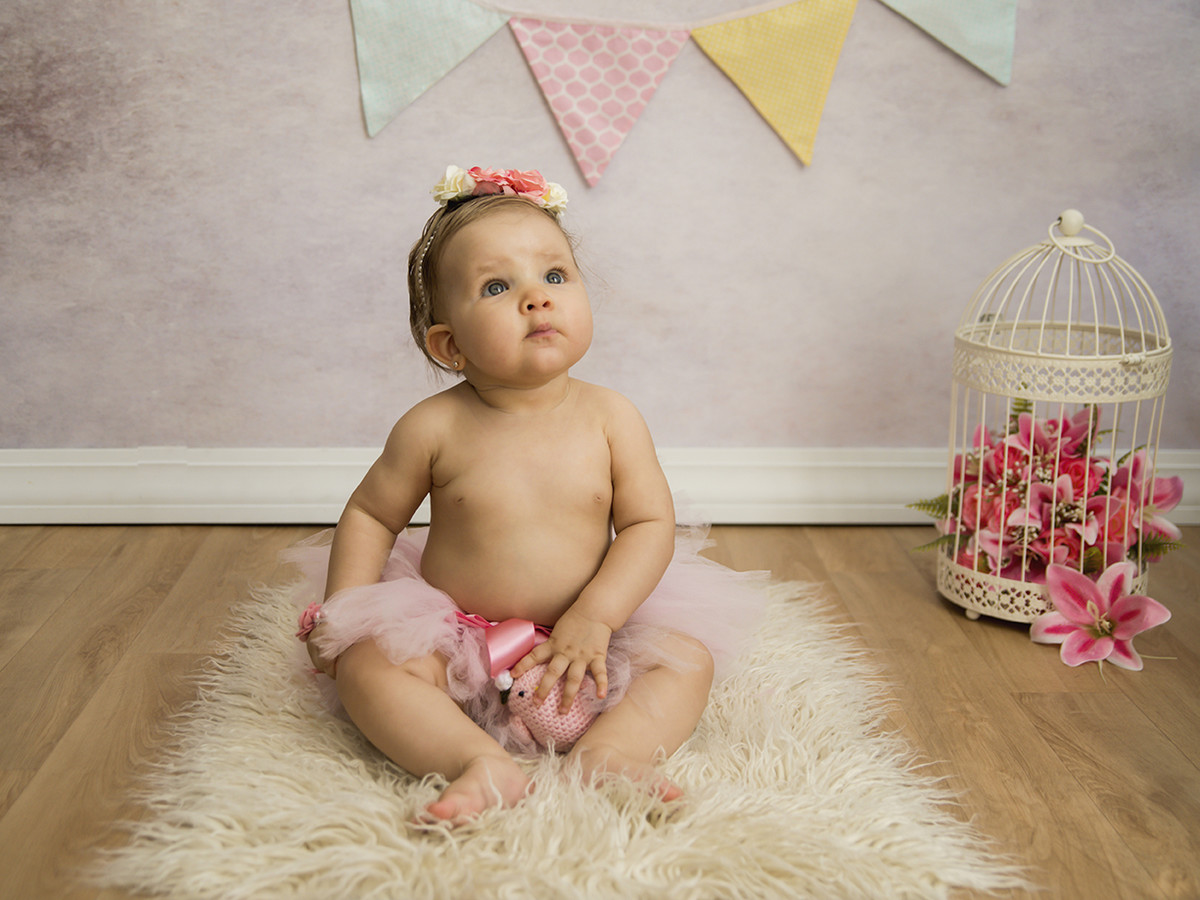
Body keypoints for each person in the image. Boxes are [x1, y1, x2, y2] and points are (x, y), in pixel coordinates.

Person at [289, 166, 771, 825]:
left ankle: (609, 753)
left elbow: (649, 524)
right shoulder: (433, 427)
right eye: (496, 286)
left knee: (687, 661)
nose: (535, 299)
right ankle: (477, 762)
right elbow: (372, 514)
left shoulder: (612, 418)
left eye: (554, 276)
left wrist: (596, 617)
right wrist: (344, 611)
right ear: (450, 344)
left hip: (591, 640)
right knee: (367, 668)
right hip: (457, 640)